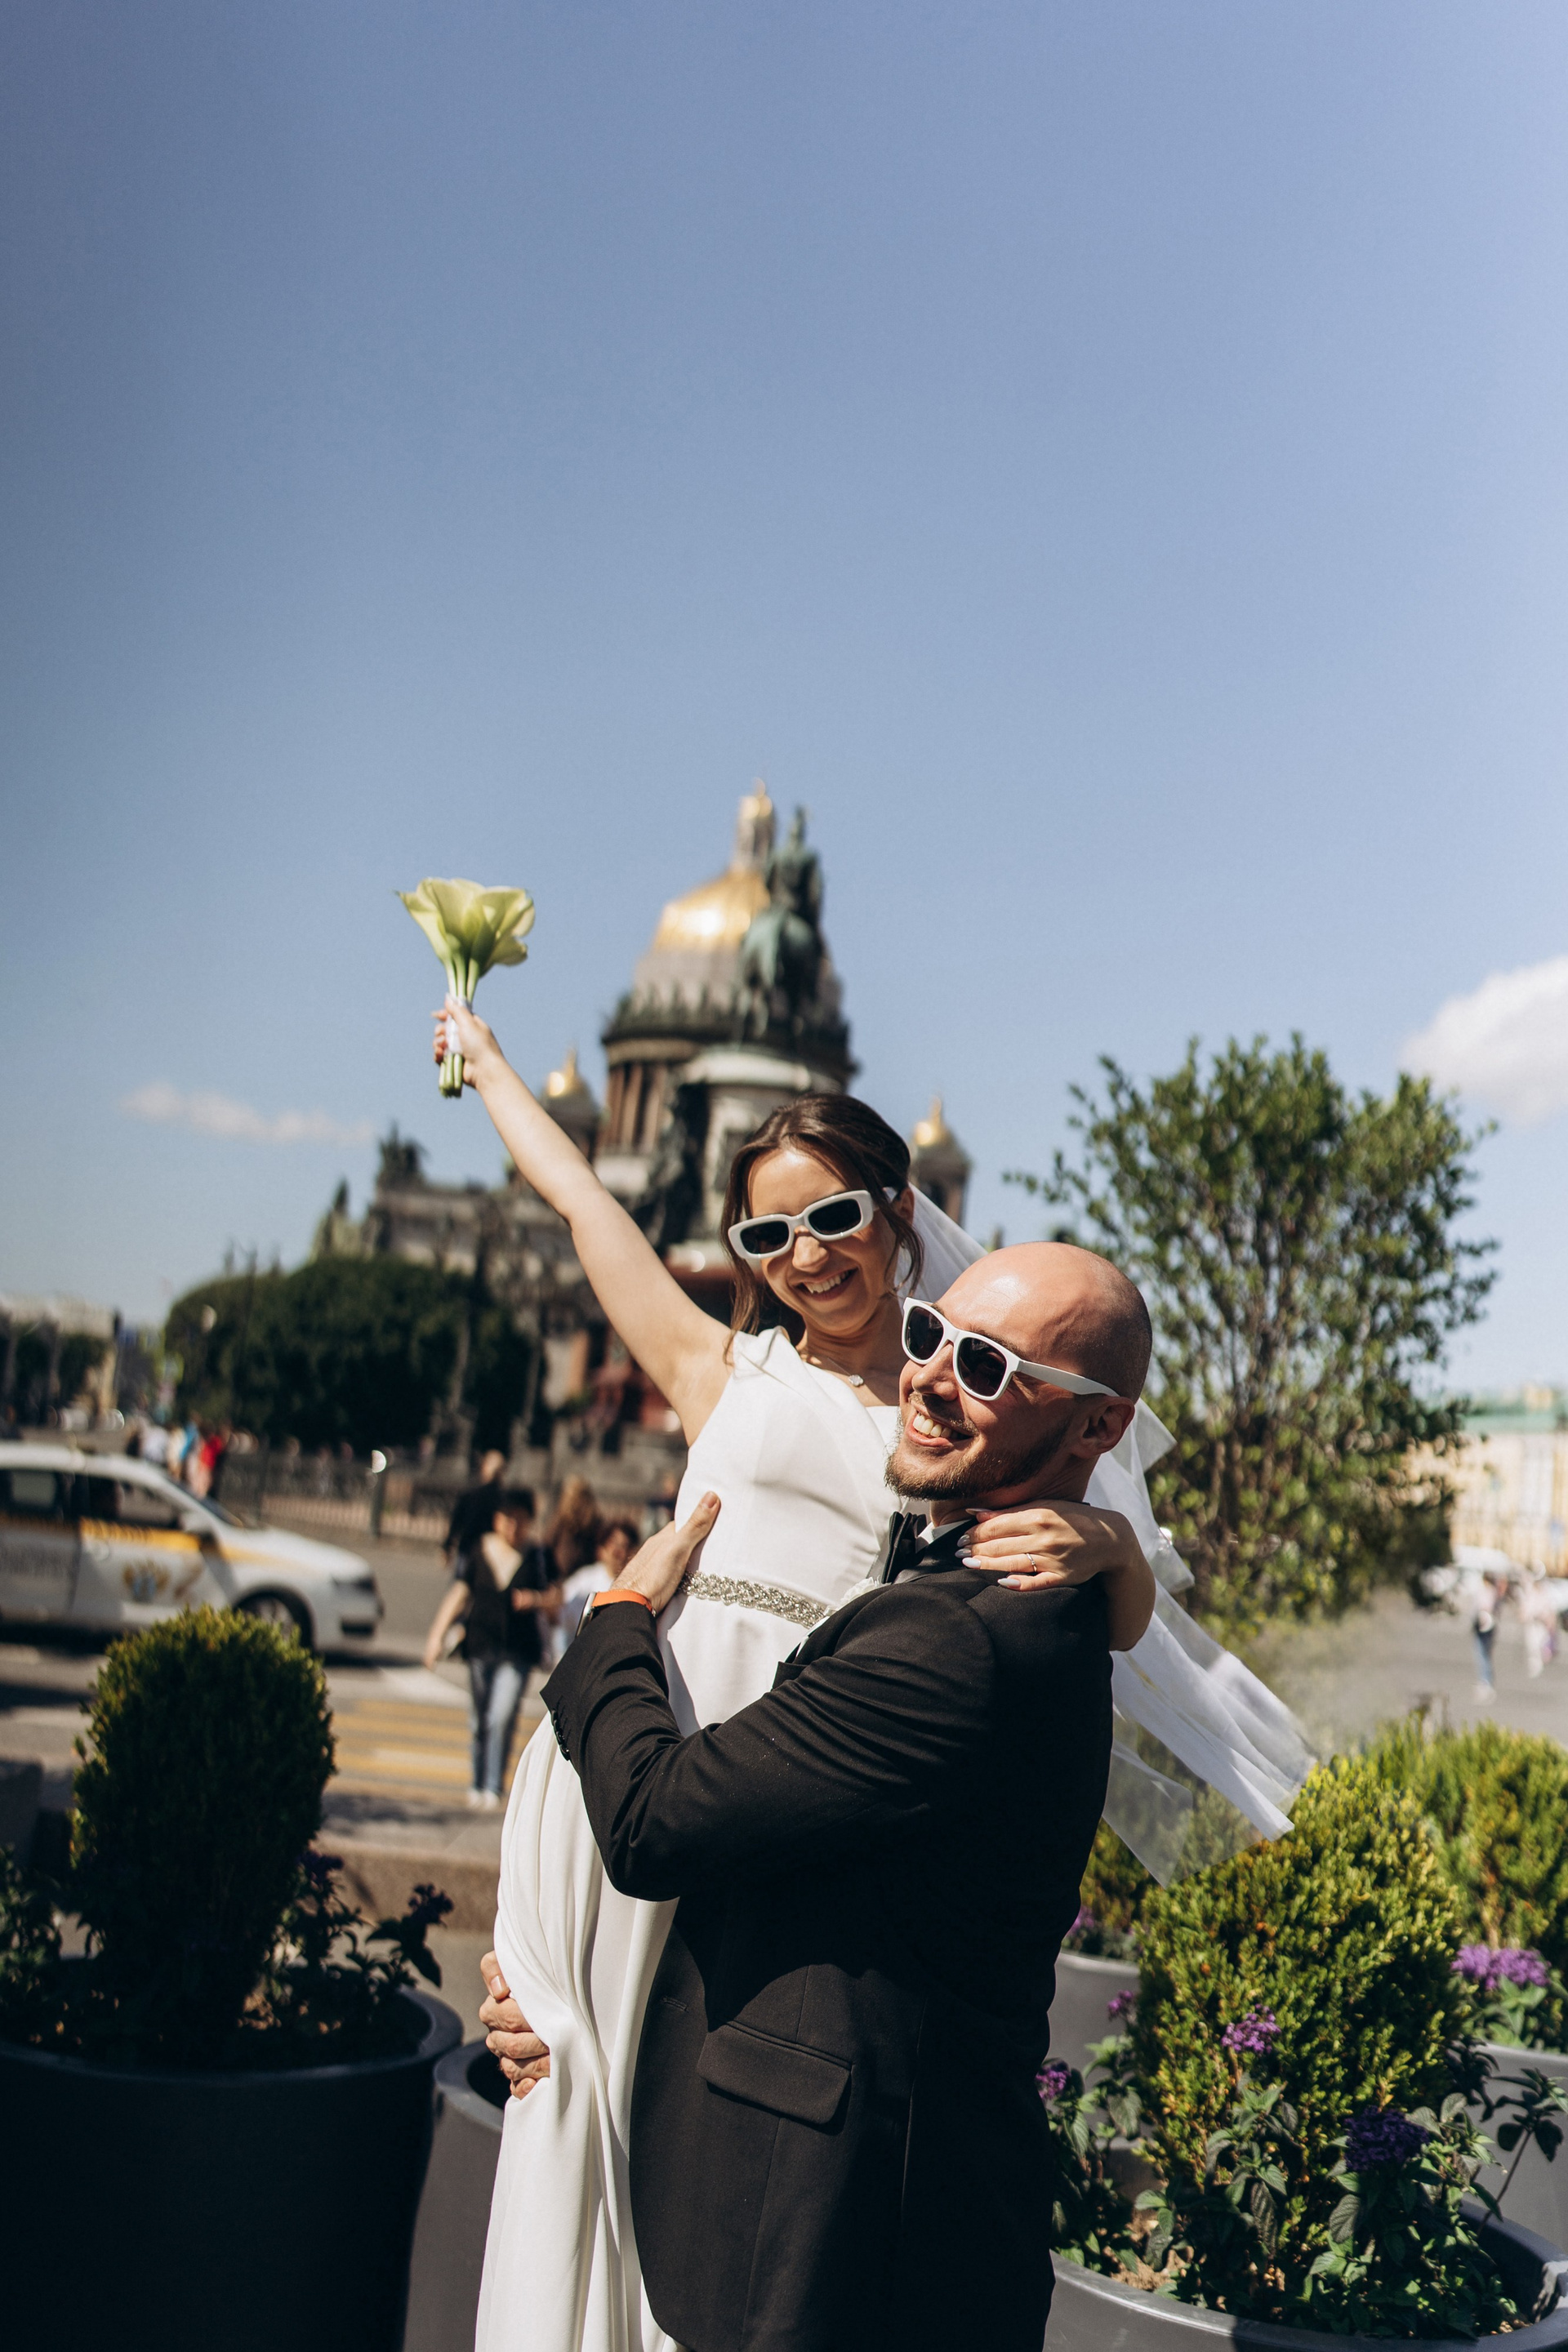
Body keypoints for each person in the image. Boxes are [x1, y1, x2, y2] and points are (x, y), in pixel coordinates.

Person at [433, 997, 1307, 2352]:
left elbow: (1112, 1624)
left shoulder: (969, 1412)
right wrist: (488, 1062)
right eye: (765, 1236)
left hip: (767, 1780)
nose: (803, 1256)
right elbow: (581, 1206)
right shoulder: (730, 1373)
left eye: (832, 1218)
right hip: (639, 1734)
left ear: (901, 1212)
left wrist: (1117, 1552)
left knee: (683, 2102)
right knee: (570, 2082)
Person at [521, 1243, 1147, 2350]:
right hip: (881, 2222)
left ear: (1099, 1426)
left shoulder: (960, 1640)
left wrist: (615, 1620)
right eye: (930, 1334)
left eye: (990, 1368)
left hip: (837, 2246)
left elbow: (655, 1819)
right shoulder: (1017, 1588)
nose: (931, 1377)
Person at [422, 1486, 562, 1810]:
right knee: (479, 1718)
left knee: (501, 1715)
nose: (512, 1526)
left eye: (519, 1520)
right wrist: (435, 1637)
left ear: (528, 1522)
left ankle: (493, 1785)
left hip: (518, 1650)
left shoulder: (538, 1555)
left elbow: (558, 1597)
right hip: (480, 1645)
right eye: (506, 1519)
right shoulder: (480, 1549)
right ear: (497, 1519)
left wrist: (535, 1600)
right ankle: (477, 1782)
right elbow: (460, 1594)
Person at [445, 1448, 509, 1565]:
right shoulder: (504, 1498)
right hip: (490, 1551)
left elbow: (456, 1522)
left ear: (484, 1467)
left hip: (468, 1547)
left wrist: (447, 1546)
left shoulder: (471, 1494)